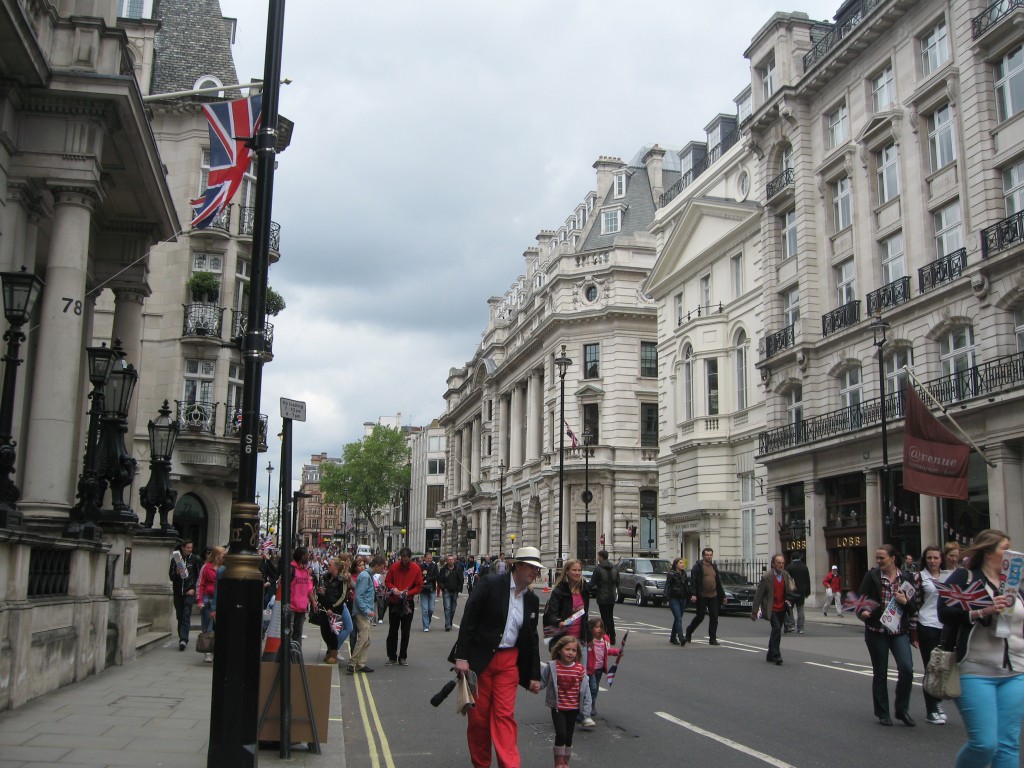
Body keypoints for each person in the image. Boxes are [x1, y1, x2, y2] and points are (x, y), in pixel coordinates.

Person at [451, 546, 542, 768]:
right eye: (531, 567)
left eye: (537, 569)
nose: (534, 573)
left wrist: (534, 675)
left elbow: (531, 638)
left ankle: (510, 764)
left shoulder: (531, 599)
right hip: (480, 662)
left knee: (504, 716)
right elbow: (469, 620)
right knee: (479, 720)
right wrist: (461, 657)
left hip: (509, 662)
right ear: (517, 566)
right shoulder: (491, 584)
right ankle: (482, 764)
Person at [940, 528, 1024, 767]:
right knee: (985, 744)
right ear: (988, 552)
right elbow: (944, 612)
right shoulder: (965, 577)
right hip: (976, 671)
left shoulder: (1015, 583)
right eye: (1005, 549)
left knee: (1008, 744)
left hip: (1016, 671)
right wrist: (981, 611)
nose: (1011, 554)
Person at [856, 544, 918, 726]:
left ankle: (902, 709)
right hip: (877, 630)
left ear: (893, 558)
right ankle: (883, 713)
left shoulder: (906, 578)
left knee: (907, 669)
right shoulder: (872, 576)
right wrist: (864, 613)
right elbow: (861, 601)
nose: (878, 561)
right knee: (880, 672)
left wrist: (905, 601)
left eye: (882, 558)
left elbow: (914, 608)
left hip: (899, 631)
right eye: (877, 558)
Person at [540, 635, 591, 767]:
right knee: (561, 734)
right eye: (567, 649)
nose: (570, 653)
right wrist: (535, 686)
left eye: (574, 650)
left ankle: (565, 762)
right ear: (559, 650)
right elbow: (543, 681)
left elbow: (586, 691)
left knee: (569, 736)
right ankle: (558, 762)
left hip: (573, 708)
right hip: (558, 707)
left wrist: (586, 710)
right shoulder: (552, 666)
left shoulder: (579, 669)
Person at [914, 545, 950, 724]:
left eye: (936, 558)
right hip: (926, 624)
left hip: (944, 626)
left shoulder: (948, 577)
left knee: (942, 667)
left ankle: (938, 703)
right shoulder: (919, 578)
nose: (932, 561)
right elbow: (912, 600)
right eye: (929, 558)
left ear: (941, 559)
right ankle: (931, 710)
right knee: (930, 668)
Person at [543, 560, 592, 668]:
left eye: (579, 570)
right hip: (563, 640)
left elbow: (585, 616)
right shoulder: (559, 591)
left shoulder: (584, 589)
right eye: (574, 570)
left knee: (581, 676)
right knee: (563, 675)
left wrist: (589, 638)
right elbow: (551, 614)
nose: (577, 573)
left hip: (580, 640)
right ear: (567, 572)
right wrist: (559, 622)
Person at [752, 554, 796, 665]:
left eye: (782, 563)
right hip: (771, 608)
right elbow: (758, 595)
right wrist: (754, 611)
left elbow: (791, 589)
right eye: (778, 562)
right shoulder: (767, 577)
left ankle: (770, 654)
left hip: (782, 608)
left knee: (776, 632)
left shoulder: (786, 575)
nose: (781, 565)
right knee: (776, 629)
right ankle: (777, 655)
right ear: (773, 564)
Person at [384, 547, 422, 666]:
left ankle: (402, 657)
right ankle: (392, 657)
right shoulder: (394, 567)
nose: (404, 562)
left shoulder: (416, 568)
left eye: (406, 560)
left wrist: (408, 593)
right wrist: (393, 588)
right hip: (394, 602)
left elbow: (419, 586)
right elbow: (387, 581)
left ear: (410, 558)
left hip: (407, 603)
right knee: (393, 630)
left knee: (405, 631)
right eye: (402, 559)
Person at [348, 556, 386, 674]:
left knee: (367, 639)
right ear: (376, 566)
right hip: (362, 613)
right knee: (363, 638)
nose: (383, 569)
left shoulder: (368, 575)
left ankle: (361, 664)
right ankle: (352, 663)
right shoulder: (365, 576)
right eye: (382, 567)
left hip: (367, 612)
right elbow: (358, 597)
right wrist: (366, 611)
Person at [686, 548, 726, 645]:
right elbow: (694, 581)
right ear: (703, 556)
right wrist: (694, 594)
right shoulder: (698, 567)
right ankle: (689, 631)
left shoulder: (714, 567)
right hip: (702, 595)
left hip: (713, 595)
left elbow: (718, 582)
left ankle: (712, 638)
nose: (709, 556)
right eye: (707, 555)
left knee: (714, 616)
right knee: (700, 616)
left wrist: (723, 596)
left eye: (710, 555)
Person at [317, 557, 352, 664]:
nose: (328, 566)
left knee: (334, 632)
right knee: (325, 631)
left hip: (335, 610)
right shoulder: (325, 577)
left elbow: (343, 596)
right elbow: (320, 591)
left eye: (330, 565)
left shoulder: (342, 579)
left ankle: (333, 653)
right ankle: (330, 651)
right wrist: (320, 593)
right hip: (324, 609)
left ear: (336, 567)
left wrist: (333, 608)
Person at [169, 539, 202, 651]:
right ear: (183, 547)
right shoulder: (175, 560)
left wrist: (193, 588)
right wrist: (176, 573)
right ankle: (182, 636)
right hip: (178, 591)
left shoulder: (195, 559)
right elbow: (171, 577)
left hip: (189, 591)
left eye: (191, 548)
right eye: (187, 547)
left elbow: (199, 576)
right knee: (179, 615)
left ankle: (183, 639)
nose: (189, 549)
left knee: (186, 615)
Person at [585, 618, 619, 725]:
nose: (599, 629)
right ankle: (588, 708)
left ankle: (591, 704)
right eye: (596, 627)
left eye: (601, 627)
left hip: (599, 669)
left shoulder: (605, 640)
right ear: (591, 629)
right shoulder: (589, 641)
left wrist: (618, 652)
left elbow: (608, 651)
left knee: (594, 689)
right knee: (593, 688)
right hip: (590, 670)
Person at [196, 546, 225, 663]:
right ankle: (208, 650)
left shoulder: (224, 568)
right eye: (223, 554)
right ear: (217, 555)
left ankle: (216, 649)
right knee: (208, 625)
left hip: (219, 599)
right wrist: (199, 600)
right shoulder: (206, 567)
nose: (224, 557)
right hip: (208, 598)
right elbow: (200, 583)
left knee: (218, 626)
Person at [588, 550, 619, 645]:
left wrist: (593, 590)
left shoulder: (598, 569)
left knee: (604, 617)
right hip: (612, 596)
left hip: (602, 596)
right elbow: (617, 582)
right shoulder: (614, 568)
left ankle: (605, 637)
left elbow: (593, 583)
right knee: (610, 616)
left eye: (598, 556)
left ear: (601, 557)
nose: (598, 558)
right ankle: (612, 637)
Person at [665, 557, 691, 646]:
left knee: (678, 619)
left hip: (683, 598)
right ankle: (681, 638)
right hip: (674, 598)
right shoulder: (671, 574)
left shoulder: (684, 574)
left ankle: (672, 638)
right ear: (676, 565)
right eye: (680, 563)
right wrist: (665, 596)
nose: (682, 564)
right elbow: (667, 585)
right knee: (678, 618)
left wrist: (689, 596)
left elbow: (686, 586)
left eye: (683, 563)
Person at [785, 553, 811, 634]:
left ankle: (791, 625)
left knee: (789, 609)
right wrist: (807, 592)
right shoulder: (804, 567)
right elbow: (808, 580)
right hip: (801, 592)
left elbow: (786, 580)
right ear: (799, 557)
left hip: (791, 591)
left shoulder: (789, 567)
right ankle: (801, 628)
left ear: (792, 558)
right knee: (800, 609)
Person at [440, 554, 465, 631]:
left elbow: (461, 580)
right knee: (447, 608)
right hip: (446, 591)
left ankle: (449, 622)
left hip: (454, 591)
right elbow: (440, 580)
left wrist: (459, 589)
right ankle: (447, 624)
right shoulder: (444, 569)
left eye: (452, 559)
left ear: (454, 561)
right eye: (449, 559)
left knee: (453, 609)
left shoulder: (458, 569)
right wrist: (443, 588)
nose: (451, 561)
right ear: (447, 561)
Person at [420, 552, 439, 632]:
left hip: (432, 588)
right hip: (423, 589)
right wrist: (422, 574)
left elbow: (437, 576)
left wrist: (428, 579)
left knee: (430, 609)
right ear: (424, 558)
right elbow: (417, 576)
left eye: (430, 558)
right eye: (427, 558)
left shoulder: (434, 566)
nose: (429, 559)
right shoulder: (421, 566)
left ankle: (428, 621)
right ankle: (426, 626)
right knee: (425, 609)